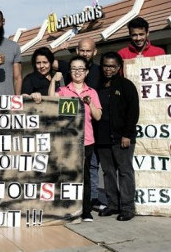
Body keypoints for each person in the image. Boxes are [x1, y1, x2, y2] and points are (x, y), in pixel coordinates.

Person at [53, 37, 106, 210]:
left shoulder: (94, 86)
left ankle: (88, 206)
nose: (77, 72)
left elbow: (98, 114)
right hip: (68, 139)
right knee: (68, 172)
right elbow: (45, 59)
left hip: (89, 135)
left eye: (81, 69)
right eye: (74, 69)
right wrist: (58, 49)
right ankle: (69, 205)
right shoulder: (63, 89)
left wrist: (90, 102)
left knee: (89, 169)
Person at [95, 52, 139, 222]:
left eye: (112, 66)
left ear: (119, 67)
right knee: (108, 172)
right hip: (103, 137)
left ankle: (128, 208)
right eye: (106, 65)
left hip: (122, 137)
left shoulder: (126, 85)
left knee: (125, 172)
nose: (108, 69)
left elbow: (133, 111)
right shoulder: (98, 86)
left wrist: (127, 134)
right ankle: (113, 205)